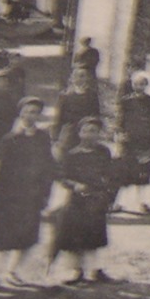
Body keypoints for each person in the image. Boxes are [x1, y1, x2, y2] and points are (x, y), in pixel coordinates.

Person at [0, 96, 56, 288]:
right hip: (10, 196)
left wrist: (45, 194)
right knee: (1, 237)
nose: (31, 115)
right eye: (27, 111)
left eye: (35, 112)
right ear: (20, 113)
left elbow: (48, 168)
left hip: (32, 196)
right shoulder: (10, 139)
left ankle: (14, 272)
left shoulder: (43, 138)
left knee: (27, 236)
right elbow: (1, 172)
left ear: (39, 115)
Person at [53, 116, 121, 284]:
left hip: (96, 199)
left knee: (95, 236)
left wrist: (108, 196)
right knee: (75, 236)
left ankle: (96, 270)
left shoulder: (104, 152)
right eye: (86, 131)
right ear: (79, 133)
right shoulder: (72, 154)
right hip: (77, 201)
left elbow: (111, 175)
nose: (90, 135)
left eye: (94, 131)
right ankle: (77, 272)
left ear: (99, 134)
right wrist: (75, 185)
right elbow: (62, 177)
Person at [116, 72, 150, 214]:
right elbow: (120, 121)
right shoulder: (126, 101)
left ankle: (142, 202)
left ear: (146, 85)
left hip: (145, 141)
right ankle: (118, 203)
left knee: (143, 173)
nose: (139, 87)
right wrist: (120, 135)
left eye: (142, 84)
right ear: (132, 85)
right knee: (125, 172)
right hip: (129, 141)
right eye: (136, 84)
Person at [52, 66, 101, 152]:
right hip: (70, 130)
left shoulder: (92, 95)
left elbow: (96, 114)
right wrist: (55, 136)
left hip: (86, 130)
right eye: (78, 76)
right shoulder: (65, 95)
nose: (81, 79)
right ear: (72, 78)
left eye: (83, 76)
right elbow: (59, 118)